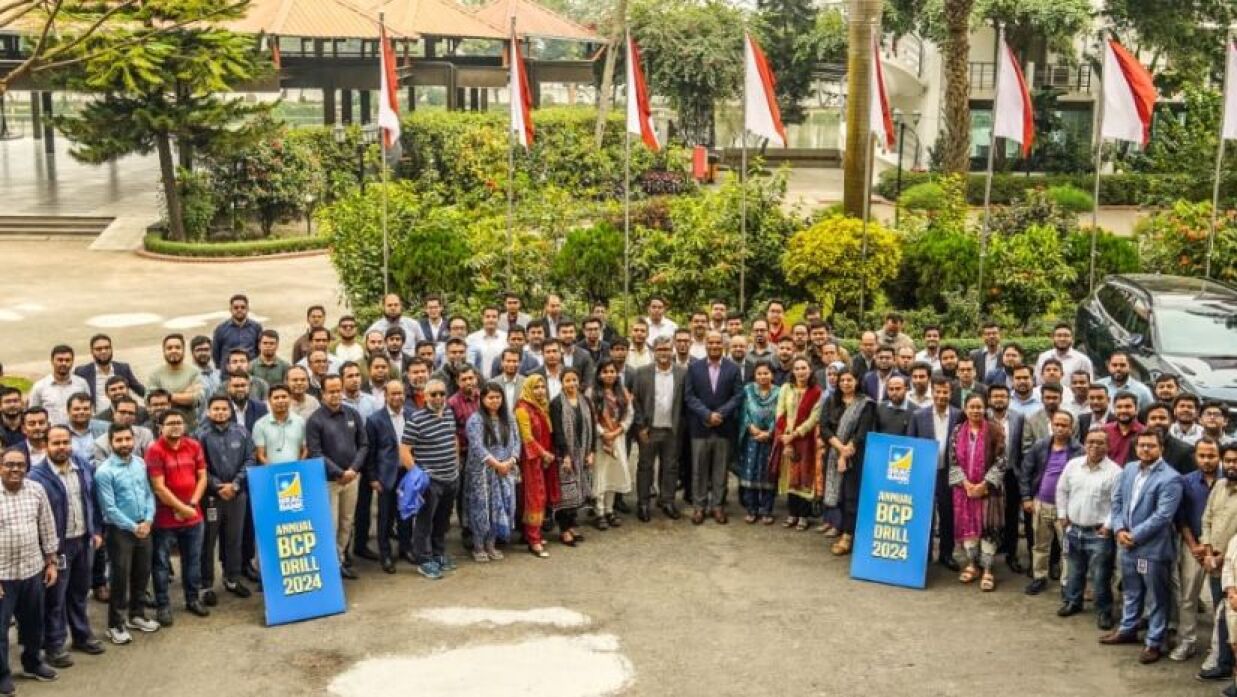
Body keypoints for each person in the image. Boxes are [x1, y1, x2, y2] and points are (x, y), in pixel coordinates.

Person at [1102, 429, 1184, 663]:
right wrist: (1119, 529)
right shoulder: (1129, 469)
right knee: (1131, 590)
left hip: (1152, 548)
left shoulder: (1171, 478)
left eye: (1151, 445)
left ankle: (1154, 642)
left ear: (1161, 448)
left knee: (1156, 597)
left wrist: (1134, 535)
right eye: (1142, 445)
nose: (1145, 449)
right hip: (1126, 544)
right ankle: (1127, 629)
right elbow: (1117, 501)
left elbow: (1163, 516)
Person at [29, 427, 103, 667]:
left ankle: (82, 636)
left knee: (80, 593)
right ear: (46, 445)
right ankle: (54, 645)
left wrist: (96, 530)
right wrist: (45, 552)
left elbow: (92, 500)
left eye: (65, 442)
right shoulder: (37, 476)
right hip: (57, 547)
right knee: (55, 599)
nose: (62, 447)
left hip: (83, 540)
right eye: (56, 443)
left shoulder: (82, 466)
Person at [0, 447, 60, 690]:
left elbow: (47, 526)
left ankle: (33, 663)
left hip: (32, 571)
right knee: (0, 630)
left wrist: (51, 562)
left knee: (33, 624)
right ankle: (2, 674)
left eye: (20, 465)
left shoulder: (36, 490)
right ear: (0, 467)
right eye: (9, 464)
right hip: (3, 577)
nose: (15, 469)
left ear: (27, 467)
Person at [94, 424, 159, 644]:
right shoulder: (104, 472)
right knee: (120, 578)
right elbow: (109, 509)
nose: (124, 444)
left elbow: (149, 494)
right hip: (120, 531)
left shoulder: (140, 463)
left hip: (145, 526)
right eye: (119, 440)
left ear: (134, 440)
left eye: (127, 439)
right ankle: (115, 625)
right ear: (111, 442)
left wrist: (148, 520)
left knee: (142, 573)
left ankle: (137, 615)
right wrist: (134, 527)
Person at [145, 410, 209, 626]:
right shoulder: (154, 450)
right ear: (160, 427)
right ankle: (163, 606)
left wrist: (191, 505)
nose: (175, 426)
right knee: (161, 564)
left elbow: (202, 477)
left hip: (193, 515)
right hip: (165, 518)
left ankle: (192, 599)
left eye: (179, 422)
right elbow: (159, 487)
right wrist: (180, 508)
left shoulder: (194, 445)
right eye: (170, 423)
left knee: (192, 560)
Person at [1055, 428, 1121, 629]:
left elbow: (1117, 503)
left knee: (1100, 575)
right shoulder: (1073, 465)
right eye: (1091, 441)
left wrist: (1108, 526)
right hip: (1073, 529)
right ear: (1084, 443)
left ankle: (1104, 611)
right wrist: (1062, 514)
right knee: (1074, 570)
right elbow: (1062, 490)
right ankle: (1073, 602)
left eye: (1100, 442)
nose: (1094, 446)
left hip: (1098, 533)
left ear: (1108, 446)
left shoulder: (1116, 472)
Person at [305, 375, 368, 580]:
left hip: (352, 478)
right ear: (322, 394)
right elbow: (315, 452)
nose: (335, 395)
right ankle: (329, 565)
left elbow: (363, 444)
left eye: (338, 390)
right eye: (330, 391)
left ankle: (338, 560)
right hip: (329, 482)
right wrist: (339, 473)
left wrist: (353, 469)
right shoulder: (315, 420)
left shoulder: (352, 414)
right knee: (329, 525)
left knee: (346, 522)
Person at [400, 378, 461, 580]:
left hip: (451, 478)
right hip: (431, 482)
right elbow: (404, 450)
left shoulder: (449, 413)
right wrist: (418, 476)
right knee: (424, 523)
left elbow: (453, 439)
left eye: (442, 393)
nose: (438, 397)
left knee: (442, 521)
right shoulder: (416, 419)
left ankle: (438, 554)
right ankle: (424, 561)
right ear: (425, 396)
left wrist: (456, 463)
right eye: (433, 394)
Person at [194, 396, 253, 604]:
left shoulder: (242, 432)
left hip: (237, 495)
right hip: (211, 497)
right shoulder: (200, 435)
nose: (220, 412)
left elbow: (250, 459)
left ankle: (232, 579)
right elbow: (199, 466)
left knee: (234, 539)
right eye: (216, 409)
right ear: (208, 411)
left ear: (230, 411)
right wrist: (218, 486)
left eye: (224, 409)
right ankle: (206, 585)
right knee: (207, 542)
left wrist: (235, 484)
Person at [684, 331, 743, 525]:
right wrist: (707, 415)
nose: (715, 346)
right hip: (700, 427)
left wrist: (720, 414)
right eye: (711, 342)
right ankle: (699, 507)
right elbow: (689, 396)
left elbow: (738, 395)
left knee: (720, 470)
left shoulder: (733, 369)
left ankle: (718, 506)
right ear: (706, 345)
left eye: (718, 342)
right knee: (699, 470)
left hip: (724, 428)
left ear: (724, 345)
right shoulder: (694, 368)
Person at [950, 393, 1007, 591]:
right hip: (964, 492)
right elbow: (953, 460)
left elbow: (1002, 460)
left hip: (989, 492)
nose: (975, 410)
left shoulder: (995, 430)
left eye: (979, 407)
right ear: (965, 409)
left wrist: (984, 485)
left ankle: (988, 570)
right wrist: (966, 484)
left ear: (985, 409)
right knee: (969, 531)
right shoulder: (958, 430)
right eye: (972, 407)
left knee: (989, 530)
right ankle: (972, 565)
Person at [1022, 411, 1082, 596]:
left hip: (1066, 508)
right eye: (1057, 424)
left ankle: (1066, 582)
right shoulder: (1040, 446)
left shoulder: (1079, 451)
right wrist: (1026, 497)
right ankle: (1039, 577)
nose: (1060, 428)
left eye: (1064, 425)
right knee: (1040, 545)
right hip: (1041, 504)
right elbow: (1026, 471)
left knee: (1067, 548)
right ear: (1051, 425)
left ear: (1071, 428)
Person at [1173, 438, 1222, 661]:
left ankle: (1220, 647)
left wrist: (1215, 548)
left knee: (1221, 600)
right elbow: (1181, 519)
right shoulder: (1186, 482)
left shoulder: (1228, 481)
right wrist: (1194, 545)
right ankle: (1187, 641)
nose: (1207, 460)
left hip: (1221, 550)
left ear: (1219, 456)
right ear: (1195, 457)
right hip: (1193, 546)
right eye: (1202, 456)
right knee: (1189, 596)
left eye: (1211, 456)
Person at [909, 380, 963, 571]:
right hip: (925, 473)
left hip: (948, 473)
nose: (941, 396)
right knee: (924, 514)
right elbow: (911, 445)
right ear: (932, 392)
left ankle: (946, 554)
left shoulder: (959, 415)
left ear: (951, 393)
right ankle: (924, 553)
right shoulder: (918, 415)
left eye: (945, 392)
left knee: (948, 514)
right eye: (938, 392)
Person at [820, 367, 875, 555]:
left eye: (849, 380)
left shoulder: (866, 404)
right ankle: (843, 528)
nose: (845, 383)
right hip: (833, 454)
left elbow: (862, 433)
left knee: (851, 496)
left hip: (856, 456)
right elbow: (824, 428)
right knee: (839, 496)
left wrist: (845, 454)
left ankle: (848, 536)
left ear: (857, 382)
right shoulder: (831, 401)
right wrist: (840, 449)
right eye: (842, 380)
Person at [631, 337, 686, 522]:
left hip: (672, 430)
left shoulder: (682, 373)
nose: (664, 353)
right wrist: (640, 426)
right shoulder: (642, 373)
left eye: (667, 349)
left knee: (671, 466)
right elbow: (636, 402)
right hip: (649, 430)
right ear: (654, 351)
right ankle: (643, 503)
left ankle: (667, 501)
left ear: (673, 351)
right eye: (660, 349)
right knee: (645, 466)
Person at [464, 383, 520, 562]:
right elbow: (477, 447)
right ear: (482, 399)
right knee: (482, 508)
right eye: (491, 397)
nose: (495, 401)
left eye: (498, 397)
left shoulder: (509, 418)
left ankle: (491, 544)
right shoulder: (475, 420)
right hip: (482, 473)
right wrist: (497, 464)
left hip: (504, 471)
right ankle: (478, 546)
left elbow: (517, 443)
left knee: (500, 506)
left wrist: (510, 462)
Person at [769, 358, 822, 532]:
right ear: (793, 371)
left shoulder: (816, 392)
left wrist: (795, 434)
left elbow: (814, 418)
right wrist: (786, 438)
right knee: (790, 477)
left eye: (804, 368)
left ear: (810, 370)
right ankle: (792, 513)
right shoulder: (786, 388)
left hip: (806, 440)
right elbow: (780, 412)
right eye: (797, 368)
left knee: (805, 477)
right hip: (786, 439)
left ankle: (804, 516)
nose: (800, 372)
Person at [1200, 443, 1237, 682]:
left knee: (1231, 615)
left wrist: (1223, 557)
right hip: (1213, 563)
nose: (1232, 465)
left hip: (1233, 566)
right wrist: (1207, 551)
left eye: (1236, 461)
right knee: (1221, 615)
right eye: (1229, 460)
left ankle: (1227, 665)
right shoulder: (1220, 486)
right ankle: (1224, 663)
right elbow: (1207, 519)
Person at [514, 376, 558, 558]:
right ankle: (534, 540)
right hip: (531, 459)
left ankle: (531, 534)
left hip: (543, 458)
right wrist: (543, 454)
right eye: (536, 387)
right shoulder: (522, 409)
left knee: (541, 496)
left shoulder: (541, 407)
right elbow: (527, 437)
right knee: (534, 497)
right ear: (528, 389)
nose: (540, 390)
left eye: (542, 387)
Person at [550, 368, 594, 545]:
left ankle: (572, 525)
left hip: (582, 453)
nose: (571, 384)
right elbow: (558, 432)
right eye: (567, 380)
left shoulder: (586, 401)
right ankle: (564, 530)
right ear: (561, 383)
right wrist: (565, 455)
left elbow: (592, 426)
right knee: (566, 493)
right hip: (565, 455)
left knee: (578, 492)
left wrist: (591, 452)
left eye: (574, 380)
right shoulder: (556, 403)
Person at [591, 360, 633, 529]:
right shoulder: (593, 393)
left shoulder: (622, 392)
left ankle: (609, 510)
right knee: (600, 475)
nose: (609, 374)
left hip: (618, 438)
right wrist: (603, 433)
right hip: (600, 440)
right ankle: (599, 511)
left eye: (612, 371)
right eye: (605, 371)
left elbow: (629, 415)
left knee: (613, 475)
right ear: (599, 374)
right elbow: (591, 418)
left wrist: (618, 431)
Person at [736, 363, 779, 524]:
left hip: (770, 439)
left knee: (768, 473)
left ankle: (767, 510)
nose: (762, 376)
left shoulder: (779, 392)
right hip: (751, 438)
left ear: (772, 375)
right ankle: (751, 509)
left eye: (766, 373)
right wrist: (751, 427)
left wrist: (769, 432)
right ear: (754, 375)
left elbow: (780, 414)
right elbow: (743, 411)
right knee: (750, 472)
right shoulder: (747, 390)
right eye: (759, 373)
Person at [148, 335, 206, 431]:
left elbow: (197, 399)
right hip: (162, 430)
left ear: (183, 350)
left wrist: (166, 396)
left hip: (190, 429)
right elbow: (151, 401)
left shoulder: (194, 372)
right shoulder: (155, 374)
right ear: (164, 351)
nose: (173, 350)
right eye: (169, 348)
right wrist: (184, 394)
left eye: (178, 347)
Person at [75, 333, 145, 412]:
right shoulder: (82, 372)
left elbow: (140, 390)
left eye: (107, 348)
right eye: (99, 349)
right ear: (92, 351)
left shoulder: (123, 368)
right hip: (97, 416)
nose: (103, 351)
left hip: (123, 414)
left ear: (111, 349)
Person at [29, 345, 91, 426]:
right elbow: (32, 413)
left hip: (77, 431)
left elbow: (89, 408)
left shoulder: (81, 384)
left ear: (72, 362)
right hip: (51, 431)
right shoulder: (39, 387)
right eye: (60, 360)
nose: (64, 363)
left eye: (67, 360)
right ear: (52, 361)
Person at [211, 294, 262, 367]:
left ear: (248, 309)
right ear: (230, 309)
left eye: (243, 307)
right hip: (228, 371)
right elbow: (216, 353)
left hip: (250, 370)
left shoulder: (256, 328)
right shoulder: (220, 329)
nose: (239, 310)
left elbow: (260, 350)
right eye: (236, 307)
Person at [1102, 393, 1144, 466]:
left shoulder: (1145, 432)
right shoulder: (1104, 430)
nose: (1123, 410)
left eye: (1128, 406)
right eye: (1119, 407)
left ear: (1137, 409)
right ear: (1114, 410)